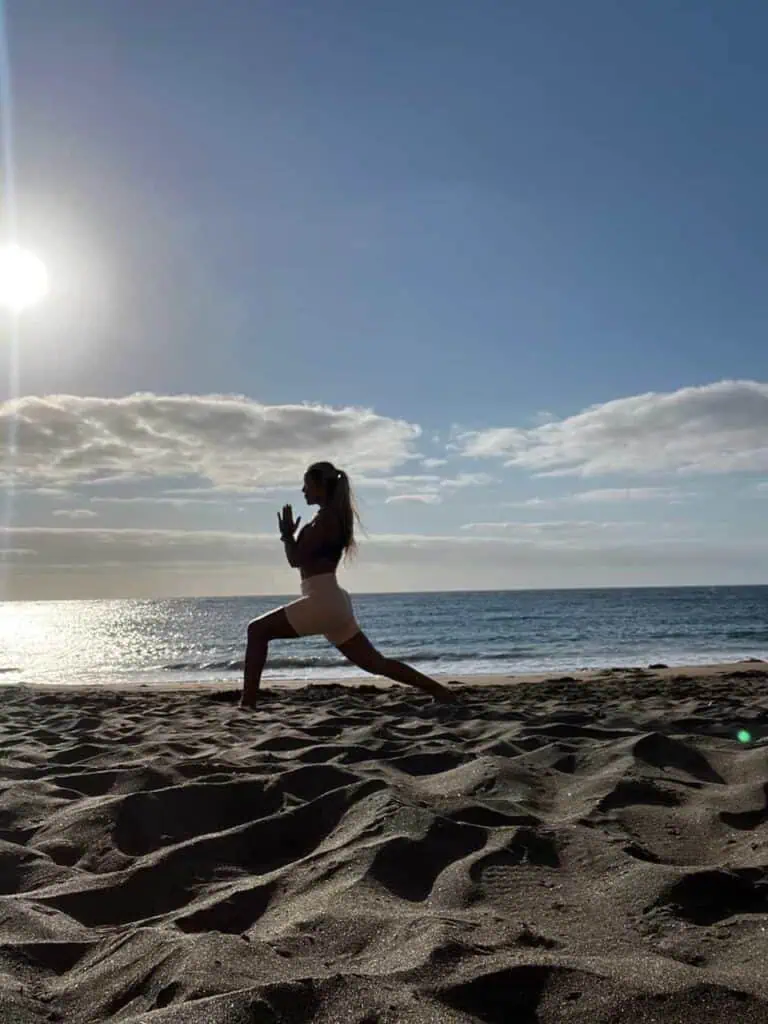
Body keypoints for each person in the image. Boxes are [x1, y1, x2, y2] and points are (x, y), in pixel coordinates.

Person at [240, 461, 457, 706]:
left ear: (321, 486)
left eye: (307, 485)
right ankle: (439, 691)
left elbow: (296, 559)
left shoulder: (327, 521)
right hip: (331, 601)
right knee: (375, 663)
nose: (303, 491)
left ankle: (247, 705)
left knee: (257, 630)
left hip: (323, 601)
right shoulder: (327, 519)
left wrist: (288, 537)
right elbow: (297, 560)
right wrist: (289, 537)